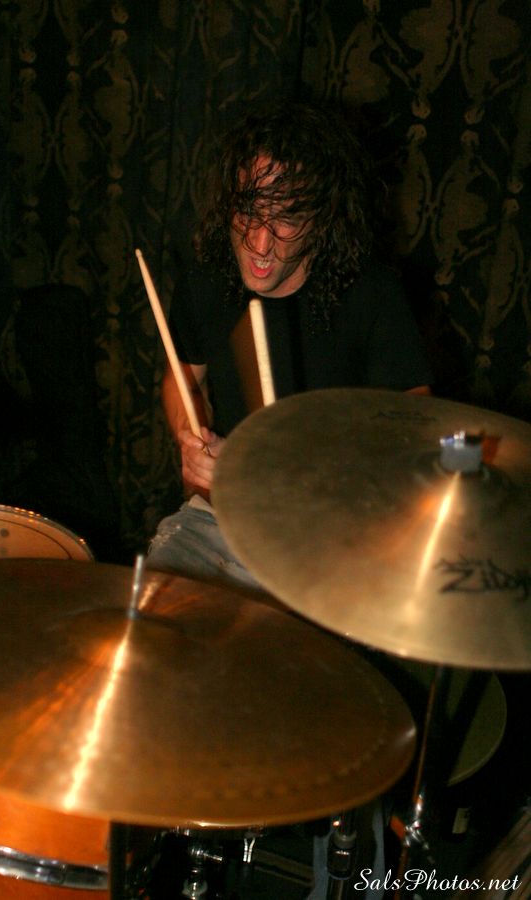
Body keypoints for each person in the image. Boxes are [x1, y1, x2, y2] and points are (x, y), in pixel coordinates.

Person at [147, 99, 432, 900]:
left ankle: (344, 865)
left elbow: (418, 431)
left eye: (286, 218)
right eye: (249, 211)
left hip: (332, 539)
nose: (261, 241)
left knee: (326, 710)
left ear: (323, 219)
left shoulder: (369, 295)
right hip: (222, 521)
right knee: (145, 635)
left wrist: (323, 482)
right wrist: (190, 436)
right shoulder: (210, 273)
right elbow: (182, 375)